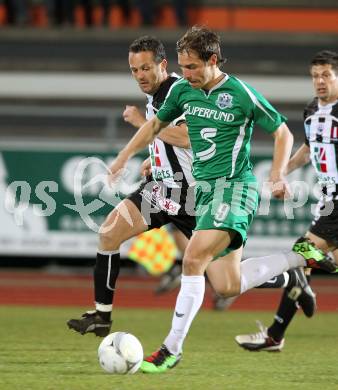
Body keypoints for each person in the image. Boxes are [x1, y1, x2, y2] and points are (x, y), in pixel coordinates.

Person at [105, 27, 337, 373]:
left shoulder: (240, 93)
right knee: (227, 285)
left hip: (234, 188)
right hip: (206, 191)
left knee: (193, 259)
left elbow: (282, 132)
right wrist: (125, 156)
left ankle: (171, 349)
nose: (185, 74)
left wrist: (276, 175)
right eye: (182, 66)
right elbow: (155, 127)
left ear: (213, 60)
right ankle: (297, 257)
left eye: (193, 67)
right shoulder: (183, 90)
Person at [67, 35, 195, 337]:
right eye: (134, 70)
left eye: (146, 68)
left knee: (228, 280)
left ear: (162, 64)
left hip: (192, 194)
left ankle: (288, 277)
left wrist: (141, 125)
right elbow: (171, 141)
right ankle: (101, 316)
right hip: (162, 187)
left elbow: (188, 137)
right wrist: (157, 158)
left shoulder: (179, 91)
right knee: (109, 232)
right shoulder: (158, 94)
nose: (140, 76)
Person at [235, 49, 338, 352]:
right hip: (330, 200)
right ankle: (275, 336)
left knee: (300, 256)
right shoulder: (310, 111)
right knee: (301, 259)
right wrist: (280, 172)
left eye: (327, 75)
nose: (320, 81)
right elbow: (308, 149)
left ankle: (275, 334)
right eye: (315, 76)